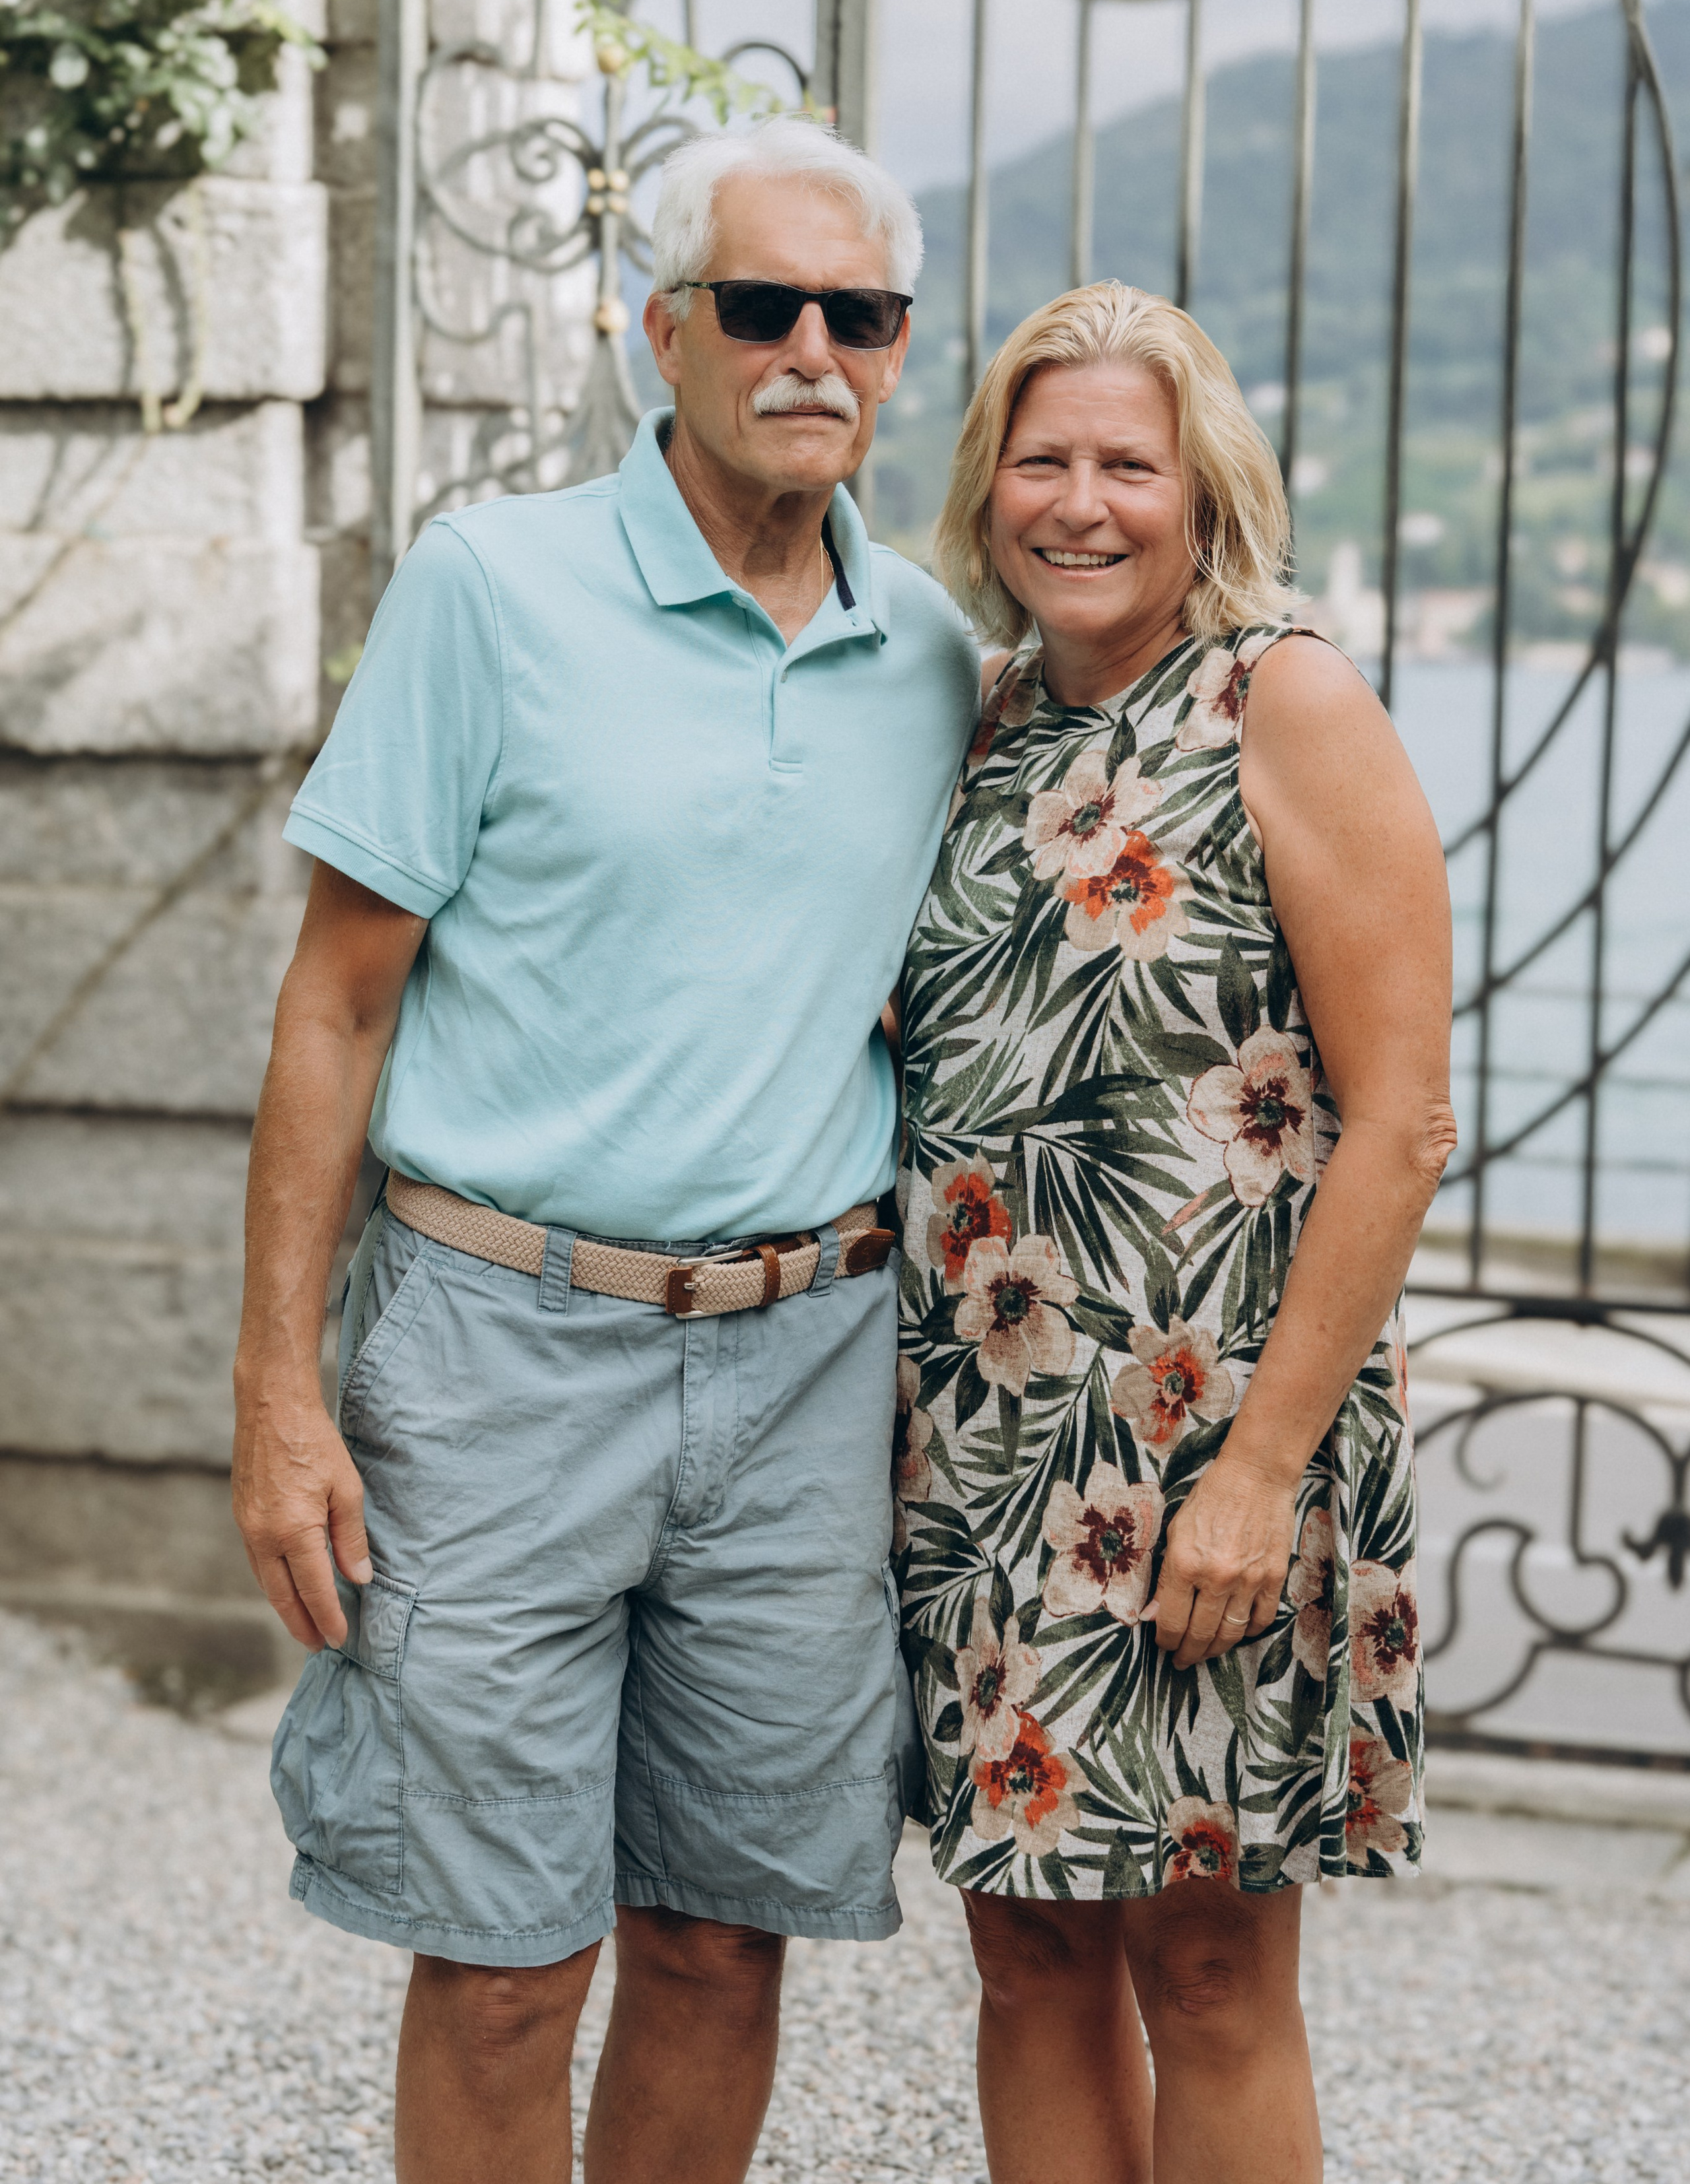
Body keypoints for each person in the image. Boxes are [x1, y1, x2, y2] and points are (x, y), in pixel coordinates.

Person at [231, 116, 980, 2184]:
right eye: (764, 306)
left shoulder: (927, 654)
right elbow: (336, 1006)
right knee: (494, 1965)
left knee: (726, 1943)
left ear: (900, 350)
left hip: (809, 1363)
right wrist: (280, 1395)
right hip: (494, 1355)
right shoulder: (490, 588)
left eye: (863, 313)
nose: (814, 347)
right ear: (668, 331)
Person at [894, 281, 1454, 2184]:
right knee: (1026, 1954)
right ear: (984, 494)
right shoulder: (971, 727)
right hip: (985, 1454)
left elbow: (1399, 1123)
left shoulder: (1282, 696)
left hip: (1216, 1453)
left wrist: (1261, 1472)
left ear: (1203, 493)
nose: (1082, 501)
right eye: (1040, 460)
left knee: (1207, 1972)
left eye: (1127, 463)